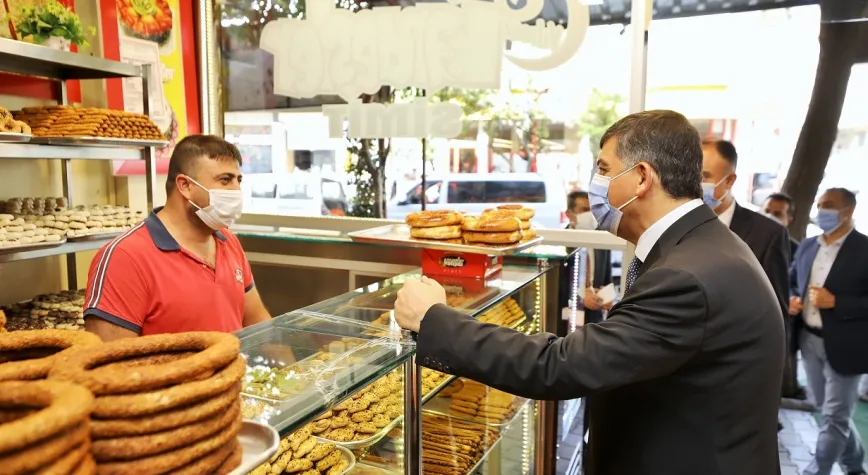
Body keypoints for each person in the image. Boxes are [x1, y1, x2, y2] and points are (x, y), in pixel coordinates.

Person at [395, 110, 784, 475]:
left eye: (604, 169)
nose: (595, 184)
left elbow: (559, 366)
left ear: (642, 178)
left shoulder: (685, 277)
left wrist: (433, 320)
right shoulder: (702, 245)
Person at [83, 135, 271, 341]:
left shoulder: (228, 241)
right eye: (225, 180)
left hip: (233, 363)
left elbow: (259, 324)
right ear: (185, 185)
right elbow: (111, 356)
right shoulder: (124, 258)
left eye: (238, 180)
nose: (236, 190)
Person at [701, 139, 794, 405]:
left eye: (704, 176)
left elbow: (776, 315)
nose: (695, 183)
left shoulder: (768, 235)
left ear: (729, 180)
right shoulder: (674, 228)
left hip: (737, 376)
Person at [789, 188, 868, 475]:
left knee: (835, 416)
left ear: (848, 211)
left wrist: (837, 302)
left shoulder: (864, 249)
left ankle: (817, 470)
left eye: (829, 205)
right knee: (828, 410)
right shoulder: (808, 245)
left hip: (848, 345)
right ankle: (855, 463)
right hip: (809, 339)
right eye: (820, 204)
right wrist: (792, 298)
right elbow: (791, 280)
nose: (822, 210)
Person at [562, 191, 613, 327]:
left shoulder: (601, 238)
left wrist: (607, 297)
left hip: (595, 319)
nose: (590, 215)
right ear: (569, 214)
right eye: (584, 210)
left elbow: (607, 277)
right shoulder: (559, 242)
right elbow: (557, 284)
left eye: (593, 210)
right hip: (568, 319)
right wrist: (580, 296)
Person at [763, 192, 801, 259]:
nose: (769, 217)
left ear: (789, 220)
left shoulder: (796, 252)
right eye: (767, 211)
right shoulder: (747, 240)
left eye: (777, 214)